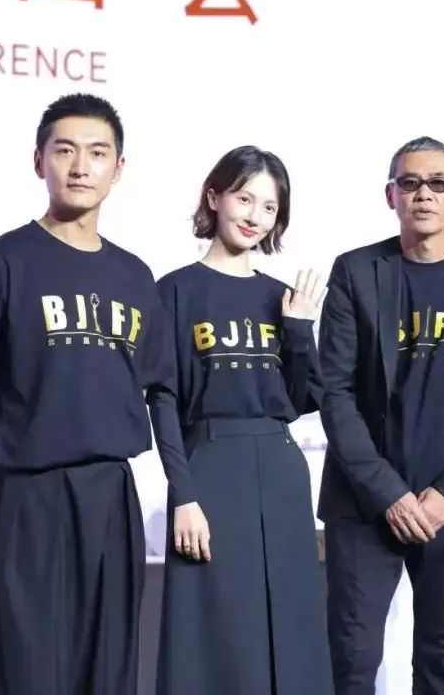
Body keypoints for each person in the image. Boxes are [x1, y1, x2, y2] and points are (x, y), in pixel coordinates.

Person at [0, 93, 190, 695]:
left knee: (109, 665)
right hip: (31, 493)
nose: (79, 166)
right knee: (31, 664)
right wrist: (3, 462)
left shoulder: (134, 276)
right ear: (38, 160)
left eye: (97, 153)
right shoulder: (3, 262)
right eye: (65, 150)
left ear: (118, 168)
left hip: (112, 492)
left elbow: (157, 386)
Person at [317, 136, 444, 694]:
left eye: (437, 183)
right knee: (352, 659)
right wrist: (389, 493)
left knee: (441, 657)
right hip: (366, 503)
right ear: (391, 195)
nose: (423, 194)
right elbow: (334, 393)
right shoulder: (356, 271)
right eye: (409, 183)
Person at [153, 145, 334, 695]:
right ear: (215, 197)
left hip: (281, 471)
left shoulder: (280, 296)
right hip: (209, 468)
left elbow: (301, 400)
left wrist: (299, 330)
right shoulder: (174, 291)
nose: (255, 216)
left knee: (291, 627)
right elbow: (163, 401)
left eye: (270, 207)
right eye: (245, 198)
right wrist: (183, 495)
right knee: (213, 630)